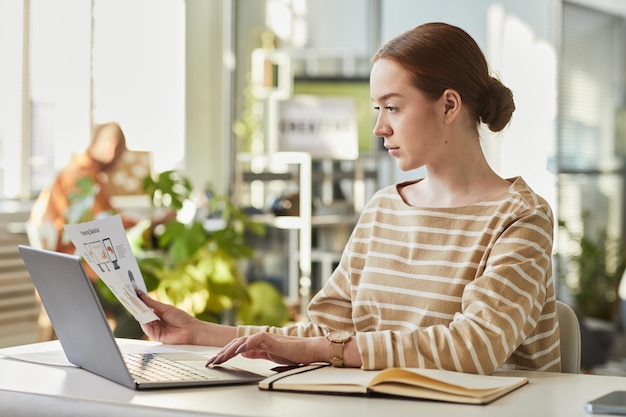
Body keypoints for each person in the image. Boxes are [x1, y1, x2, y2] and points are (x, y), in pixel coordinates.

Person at [138, 22, 561, 374]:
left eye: (392, 108)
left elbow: (474, 347)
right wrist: (199, 333)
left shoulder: (522, 218)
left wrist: (329, 350)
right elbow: (329, 334)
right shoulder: (384, 209)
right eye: (377, 109)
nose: (379, 127)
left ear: (449, 105)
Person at [29, 122, 144, 339]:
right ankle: (115, 366)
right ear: (113, 147)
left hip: (66, 271)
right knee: (139, 309)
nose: (119, 162)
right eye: (121, 155)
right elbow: (101, 228)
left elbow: (105, 218)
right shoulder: (82, 180)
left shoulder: (77, 174)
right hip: (74, 276)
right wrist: (146, 225)